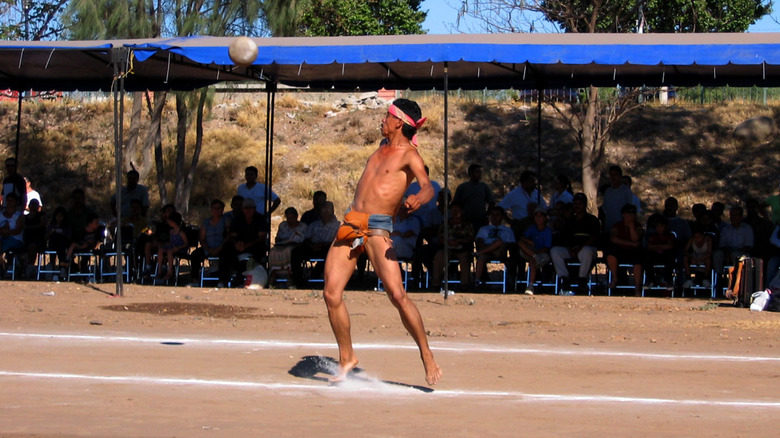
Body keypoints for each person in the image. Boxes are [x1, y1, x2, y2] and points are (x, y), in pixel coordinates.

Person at [323, 98, 441, 386]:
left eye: (387, 116)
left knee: (397, 296)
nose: (382, 120)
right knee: (331, 294)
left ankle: (426, 354)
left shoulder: (410, 155)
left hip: (377, 228)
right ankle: (347, 357)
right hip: (351, 224)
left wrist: (417, 199)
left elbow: (428, 187)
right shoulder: (380, 148)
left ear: (398, 122)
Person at [549, 193, 600, 295]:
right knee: (555, 251)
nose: (577, 206)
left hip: (586, 249)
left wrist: (581, 247)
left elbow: (594, 237)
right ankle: (564, 278)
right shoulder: (570, 221)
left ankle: (582, 279)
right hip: (572, 250)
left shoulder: (592, 220)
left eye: (579, 203)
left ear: (585, 205)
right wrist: (569, 248)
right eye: (575, 203)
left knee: (587, 251)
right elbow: (564, 237)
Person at [220, 198, 269, 287]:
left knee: (260, 247)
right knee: (227, 248)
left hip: (254, 245)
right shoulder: (237, 219)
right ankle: (224, 280)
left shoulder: (260, 219)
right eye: (246, 208)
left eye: (251, 208)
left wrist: (246, 245)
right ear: (243, 209)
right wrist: (236, 243)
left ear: (254, 209)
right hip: (239, 245)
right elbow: (232, 235)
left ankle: (243, 277)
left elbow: (261, 237)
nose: (248, 210)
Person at [291, 201, 339, 288]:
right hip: (312, 247)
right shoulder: (314, 224)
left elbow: (337, 240)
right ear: (320, 211)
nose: (326, 212)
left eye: (329, 209)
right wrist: (312, 245)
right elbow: (306, 237)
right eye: (324, 209)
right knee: (295, 252)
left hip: (327, 248)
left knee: (329, 253)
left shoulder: (338, 225)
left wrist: (322, 245)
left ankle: (315, 275)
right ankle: (298, 281)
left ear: (333, 211)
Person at [430, 202, 474, 291]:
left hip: (462, 248)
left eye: (457, 210)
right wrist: (448, 242)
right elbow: (440, 237)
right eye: (453, 210)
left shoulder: (467, 223)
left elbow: (471, 237)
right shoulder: (445, 223)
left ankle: (464, 284)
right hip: (447, 247)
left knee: (465, 259)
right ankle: (436, 284)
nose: (455, 213)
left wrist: (459, 241)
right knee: (439, 256)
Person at [606, 203, 644, 296]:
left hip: (633, 252)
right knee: (610, 255)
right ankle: (615, 279)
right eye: (628, 213)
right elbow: (613, 239)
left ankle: (637, 287)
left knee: (638, 260)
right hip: (620, 250)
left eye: (632, 213)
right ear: (623, 214)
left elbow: (636, 239)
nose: (630, 215)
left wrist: (631, 226)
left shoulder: (638, 226)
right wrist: (631, 243)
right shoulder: (617, 226)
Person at [474, 206, 515, 289]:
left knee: (499, 242)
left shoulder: (507, 230)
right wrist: (486, 246)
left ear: (502, 216)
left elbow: (512, 244)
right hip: (486, 251)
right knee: (481, 257)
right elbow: (479, 241)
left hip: (501, 251)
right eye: (492, 215)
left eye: (497, 215)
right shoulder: (484, 229)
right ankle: (477, 280)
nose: (494, 217)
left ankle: (479, 252)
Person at [190, 199, 228, 286]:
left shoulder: (226, 221)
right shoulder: (206, 222)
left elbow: (228, 236)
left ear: (222, 209)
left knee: (226, 256)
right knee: (195, 255)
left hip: (221, 247)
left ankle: (222, 280)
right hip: (208, 248)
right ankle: (195, 280)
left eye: (219, 208)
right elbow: (202, 238)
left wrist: (219, 248)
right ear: (211, 209)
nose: (217, 210)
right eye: (214, 208)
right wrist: (208, 249)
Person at [268, 207, 306, 286]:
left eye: (291, 218)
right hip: (281, 245)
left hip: (295, 247)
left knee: (288, 251)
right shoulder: (283, 225)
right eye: (288, 218)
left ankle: (289, 275)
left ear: (296, 217)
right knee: (273, 251)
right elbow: (278, 237)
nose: (290, 220)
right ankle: (274, 274)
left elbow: (304, 240)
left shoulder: (303, 226)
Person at [518, 206, 552, 295]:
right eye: (536, 216)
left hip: (542, 254)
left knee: (533, 261)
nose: (538, 218)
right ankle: (534, 256)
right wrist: (528, 241)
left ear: (545, 218)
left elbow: (547, 247)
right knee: (520, 243)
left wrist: (537, 253)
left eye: (541, 216)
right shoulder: (532, 228)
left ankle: (530, 285)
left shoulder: (548, 231)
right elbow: (522, 237)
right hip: (531, 252)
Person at [453, 163, 495, 234]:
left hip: (480, 220)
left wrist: (486, 215)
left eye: (480, 172)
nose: (479, 174)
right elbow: (455, 204)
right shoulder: (463, 187)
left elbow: (492, 202)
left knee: (481, 241)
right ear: (470, 173)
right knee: (466, 242)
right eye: (477, 172)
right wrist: (458, 217)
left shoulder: (484, 187)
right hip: (466, 220)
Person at [644, 213, 677, 292]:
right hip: (654, 256)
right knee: (646, 257)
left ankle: (668, 280)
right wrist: (662, 246)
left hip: (666, 256)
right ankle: (650, 280)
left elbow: (670, 246)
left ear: (665, 226)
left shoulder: (670, 235)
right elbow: (649, 247)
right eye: (657, 226)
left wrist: (656, 246)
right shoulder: (652, 236)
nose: (659, 228)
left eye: (661, 226)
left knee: (670, 257)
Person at [601, 165, 634, 235]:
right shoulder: (608, 192)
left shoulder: (626, 191)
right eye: (611, 175)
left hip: (621, 226)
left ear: (620, 176)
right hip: (609, 225)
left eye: (615, 174)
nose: (613, 177)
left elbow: (629, 209)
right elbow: (605, 208)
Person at [0, 192, 25, 274]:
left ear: (16, 202)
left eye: (12, 201)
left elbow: (18, 230)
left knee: (9, 244)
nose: (9, 203)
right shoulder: (1, 215)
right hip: (2, 238)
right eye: (8, 201)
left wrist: (6, 232)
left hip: (15, 240)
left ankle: (12, 266)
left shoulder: (19, 216)